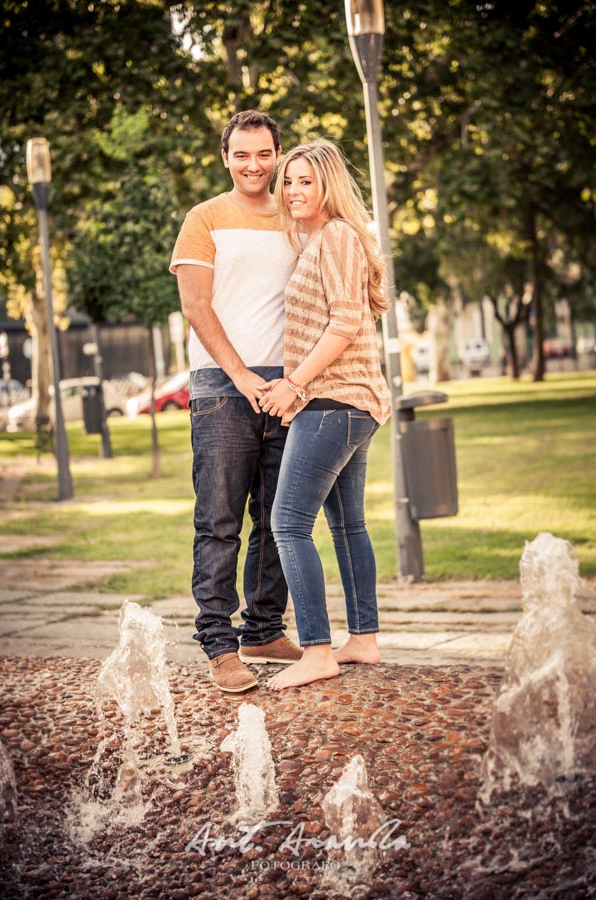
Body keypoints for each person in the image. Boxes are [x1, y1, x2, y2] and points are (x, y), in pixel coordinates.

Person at [169, 110, 303, 694]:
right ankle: (220, 644)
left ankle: (265, 628)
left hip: (291, 388)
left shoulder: (301, 216)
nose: (254, 165)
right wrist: (242, 374)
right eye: (242, 154)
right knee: (220, 521)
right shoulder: (204, 219)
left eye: (264, 154)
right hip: (224, 388)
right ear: (226, 157)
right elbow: (197, 307)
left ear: (278, 155)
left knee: (280, 519)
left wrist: (292, 380)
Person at [258, 139, 392, 691]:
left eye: (304, 181)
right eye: (287, 181)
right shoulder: (323, 239)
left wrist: (294, 383)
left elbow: (342, 323)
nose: (292, 191)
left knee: (287, 524)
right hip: (354, 402)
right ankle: (362, 639)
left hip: (335, 401)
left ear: (328, 185)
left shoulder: (335, 236)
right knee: (347, 523)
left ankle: (316, 650)